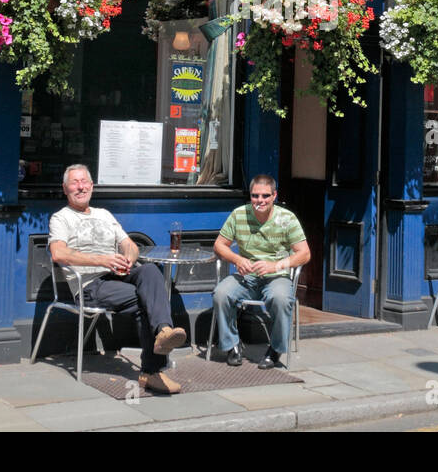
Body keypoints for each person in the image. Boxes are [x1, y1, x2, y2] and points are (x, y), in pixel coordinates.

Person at [48, 165, 186, 394]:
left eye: (85, 182)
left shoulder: (104, 214)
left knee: (150, 271)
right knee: (145, 300)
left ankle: (163, 332)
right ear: (65, 188)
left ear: (92, 186)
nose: (80, 187)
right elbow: (58, 253)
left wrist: (128, 261)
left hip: (116, 275)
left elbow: (129, 245)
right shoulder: (61, 218)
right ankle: (152, 372)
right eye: (74, 183)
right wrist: (103, 260)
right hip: (89, 283)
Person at [212, 175, 311, 369]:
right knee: (221, 294)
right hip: (246, 276)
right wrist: (237, 259)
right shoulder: (239, 214)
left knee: (282, 299)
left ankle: (275, 349)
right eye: (255, 196)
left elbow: (305, 254)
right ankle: (232, 345)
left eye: (265, 195)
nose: (260, 200)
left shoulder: (286, 218)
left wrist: (275, 266)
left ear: (274, 195)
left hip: (277, 276)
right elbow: (219, 245)